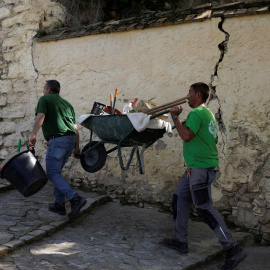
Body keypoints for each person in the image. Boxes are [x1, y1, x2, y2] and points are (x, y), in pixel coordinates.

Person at [162, 82, 247, 270]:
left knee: (204, 209)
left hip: (199, 169)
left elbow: (186, 137)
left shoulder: (197, 113)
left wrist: (175, 117)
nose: (187, 96)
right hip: (199, 167)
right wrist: (183, 124)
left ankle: (232, 249)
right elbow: (214, 138)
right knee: (179, 197)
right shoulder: (208, 114)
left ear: (198, 95)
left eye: (190, 93)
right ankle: (180, 241)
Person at [29, 80, 86, 220]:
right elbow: (75, 128)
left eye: (44, 88)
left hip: (58, 140)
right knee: (56, 172)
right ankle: (59, 204)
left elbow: (41, 116)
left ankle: (75, 198)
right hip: (70, 140)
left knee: (52, 173)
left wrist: (34, 134)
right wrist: (77, 146)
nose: (43, 91)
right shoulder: (68, 104)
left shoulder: (45, 99)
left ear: (48, 89)